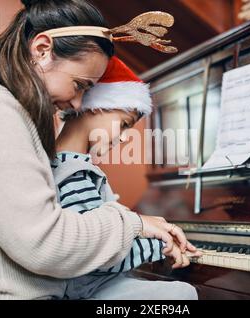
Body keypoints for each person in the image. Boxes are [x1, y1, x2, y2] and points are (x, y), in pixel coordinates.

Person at [0, 0, 199, 299]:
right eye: (80, 85)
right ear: (42, 50)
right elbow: (45, 244)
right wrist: (134, 224)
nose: (78, 104)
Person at [52, 56, 199, 299]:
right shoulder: (72, 173)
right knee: (183, 295)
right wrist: (160, 247)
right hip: (87, 292)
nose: (122, 138)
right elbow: (95, 256)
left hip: (94, 286)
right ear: (98, 106)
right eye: (123, 124)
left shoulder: (69, 164)